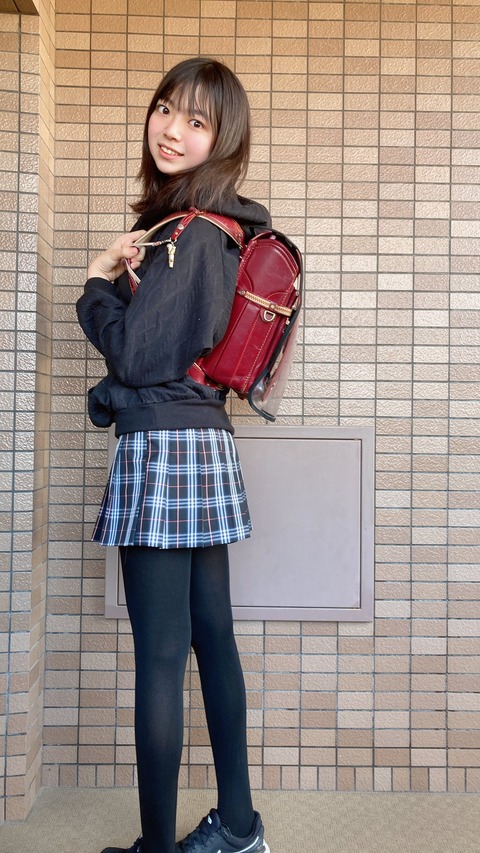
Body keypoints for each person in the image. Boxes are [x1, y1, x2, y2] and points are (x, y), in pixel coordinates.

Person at [76, 57, 271, 853]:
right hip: (203, 443)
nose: (172, 129)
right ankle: (240, 825)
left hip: (163, 447)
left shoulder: (193, 232)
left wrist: (96, 284)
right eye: (166, 108)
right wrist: (134, 281)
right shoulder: (215, 228)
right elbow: (172, 344)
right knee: (210, 635)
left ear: (222, 139)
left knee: (161, 656)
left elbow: (137, 358)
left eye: (197, 120)